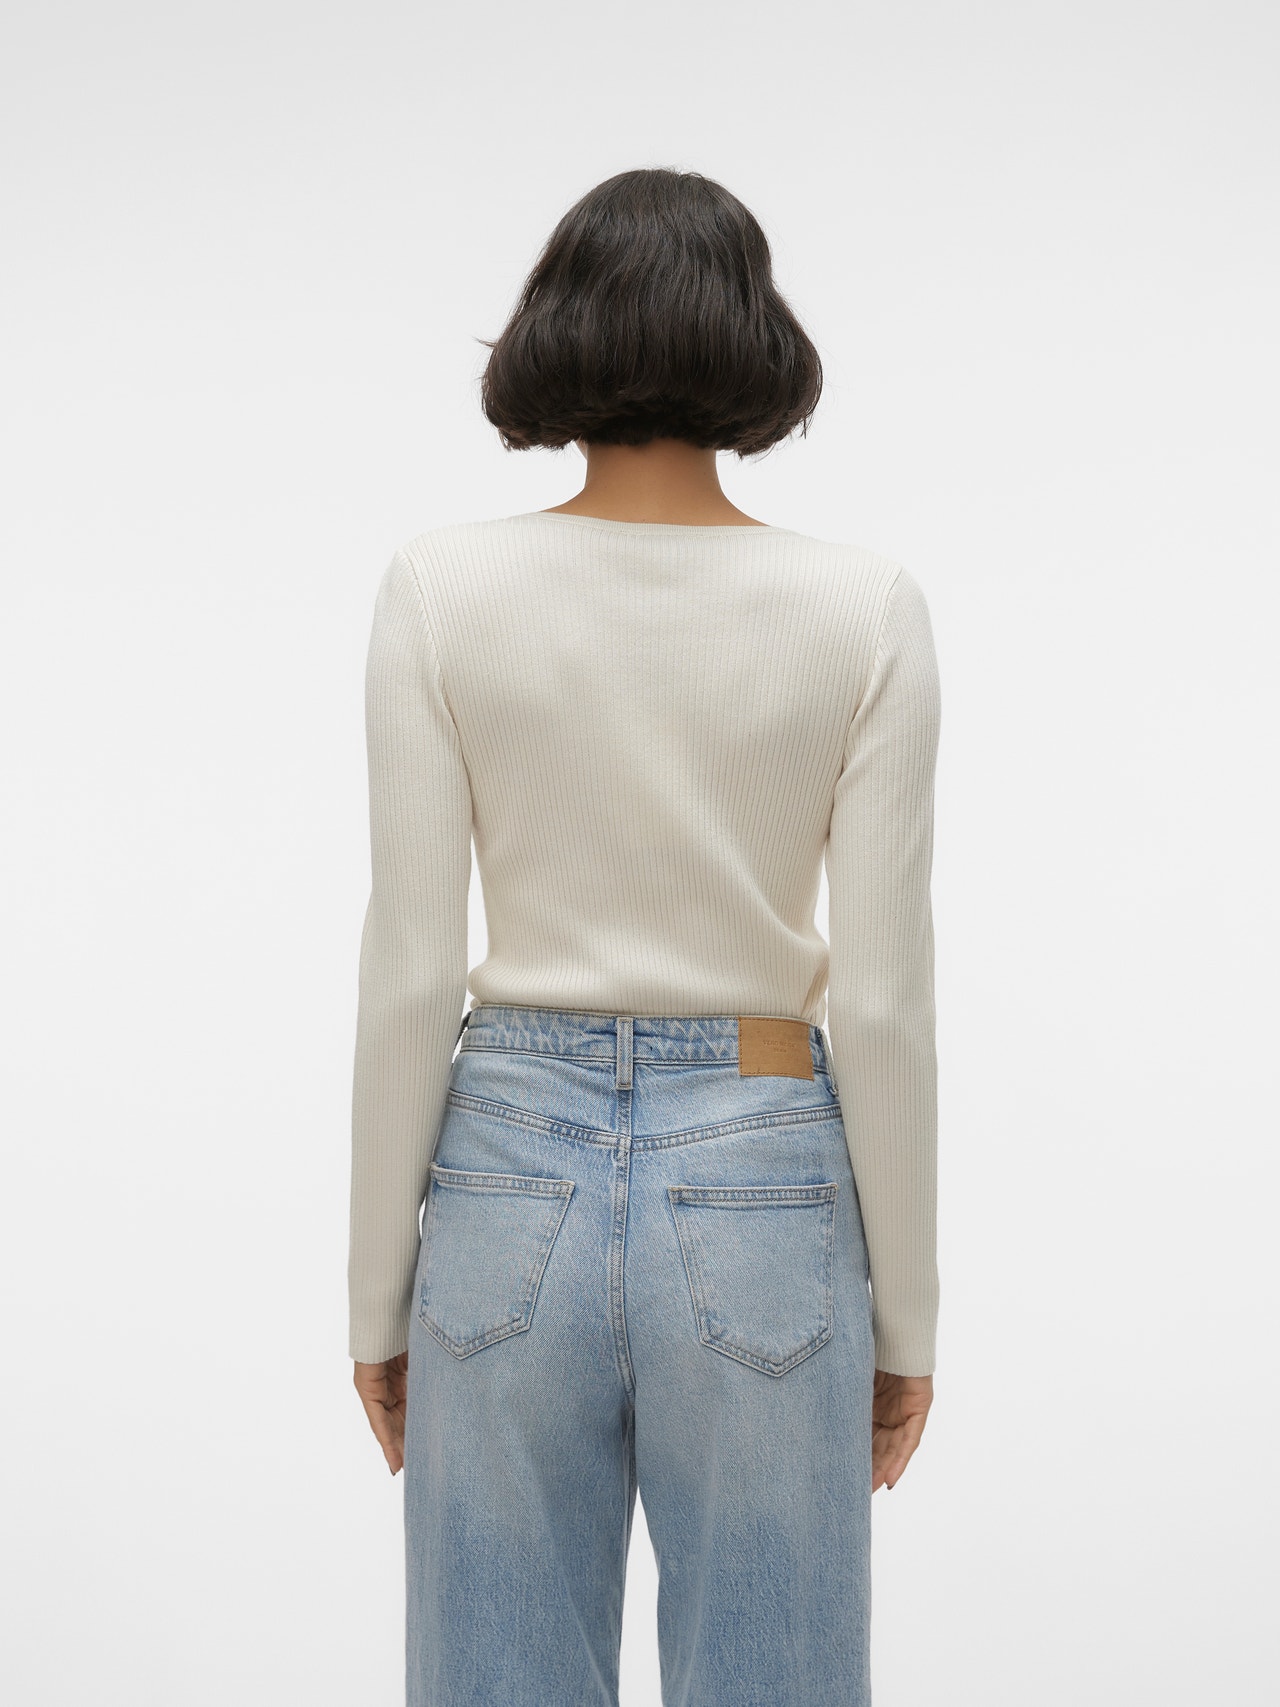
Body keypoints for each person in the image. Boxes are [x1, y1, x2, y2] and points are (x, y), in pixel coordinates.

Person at [347, 166, 941, 1707]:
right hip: (766, 1157)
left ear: (554, 327)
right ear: (756, 335)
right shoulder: (863, 608)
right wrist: (907, 1317)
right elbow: (883, 1005)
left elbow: (410, 972)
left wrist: (374, 1298)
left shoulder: (441, 590)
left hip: (504, 1169)